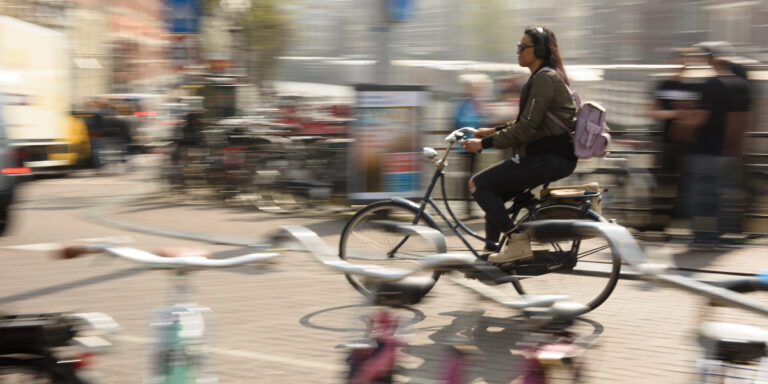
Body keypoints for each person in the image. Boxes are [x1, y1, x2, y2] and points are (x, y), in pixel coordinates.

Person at [461, 26, 577, 263]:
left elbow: (525, 129)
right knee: (492, 199)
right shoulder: (542, 78)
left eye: (523, 47)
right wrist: (492, 130)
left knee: (477, 185)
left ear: (540, 50)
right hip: (549, 157)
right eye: (518, 46)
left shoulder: (544, 79)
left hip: (549, 158)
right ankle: (491, 257)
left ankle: (517, 242)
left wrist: (483, 144)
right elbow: (528, 122)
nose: (518, 51)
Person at [682, 42, 752, 249]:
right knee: (725, 197)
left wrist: (684, 125)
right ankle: (723, 235)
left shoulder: (712, 84)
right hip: (729, 152)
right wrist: (737, 147)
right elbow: (743, 119)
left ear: (714, 60)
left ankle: (702, 236)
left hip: (706, 149)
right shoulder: (742, 84)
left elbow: (701, 118)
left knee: (700, 195)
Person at [452, 73, 492, 219]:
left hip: (475, 145)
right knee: (469, 177)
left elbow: (483, 121)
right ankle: (468, 208)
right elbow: (458, 122)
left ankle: (470, 207)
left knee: (473, 177)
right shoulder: (465, 104)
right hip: (466, 145)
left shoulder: (474, 103)